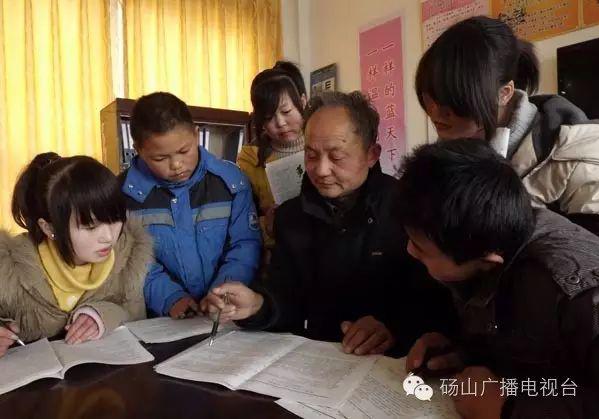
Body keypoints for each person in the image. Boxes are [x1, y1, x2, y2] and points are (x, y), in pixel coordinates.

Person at [202, 91, 456, 356]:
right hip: (316, 364)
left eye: (336, 156)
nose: (321, 170)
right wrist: (257, 305)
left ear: (371, 154)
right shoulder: (291, 217)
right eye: (311, 155)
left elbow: (435, 304)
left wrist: (393, 327)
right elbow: (286, 296)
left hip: (392, 367)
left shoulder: (408, 211)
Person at [396, 139, 599, 419]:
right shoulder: (486, 229)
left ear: (485, 261)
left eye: (421, 248)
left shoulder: (577, 293)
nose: (409, 251)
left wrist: (507, 410)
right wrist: (462, 352)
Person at [415, 15, 599, 235]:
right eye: (430, 98)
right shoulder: (450, 149)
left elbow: (588, 262)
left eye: (452, 101)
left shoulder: (581, 160)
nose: (435, 113)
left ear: (504, 94)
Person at [121, 92, 261, 319]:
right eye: (160, 158)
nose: (176, 165)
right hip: (163, 317)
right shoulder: (125, 197)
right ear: (139, 150)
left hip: (225, 311)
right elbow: (132, 258)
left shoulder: (231, 183)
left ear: (196, 135)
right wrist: (170, 298)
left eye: (184, 151)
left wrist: (223, 293)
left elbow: (244, 244)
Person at [0, 153, 152, 357]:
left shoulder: (128, 255)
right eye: (90, 227)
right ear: (48, 228)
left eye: (115, 219)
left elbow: (136, 317)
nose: (109, 237)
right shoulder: (9, 266)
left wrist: (102, 315)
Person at [237, 61, 307, 250]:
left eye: (286, 112)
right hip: (278, 251)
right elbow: (242, 222)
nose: (281, 123)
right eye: (268, 118)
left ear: (302, 102)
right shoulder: (250, 159)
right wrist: (266, 225)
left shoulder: (321, 142)